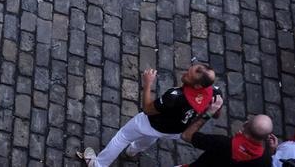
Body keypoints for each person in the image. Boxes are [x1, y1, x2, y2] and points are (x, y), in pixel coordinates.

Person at [79, 62, 221, 166]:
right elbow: (216, 114)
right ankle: (132, 152)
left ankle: (98, 164)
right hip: (175, 130)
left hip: (152, 122)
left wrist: (147, 84)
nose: (184, 74)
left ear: (197, 86)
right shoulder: (214, 92)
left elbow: (148, 109)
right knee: (152, 136)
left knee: (122, 137)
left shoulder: (174, 96)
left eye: (188, 76)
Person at [179, 100, 276, 167]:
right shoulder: (265, 161)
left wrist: (209, 113)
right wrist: (270, 151)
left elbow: (186, 135)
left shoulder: (222, 143)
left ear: (246, 124)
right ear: (266, 137)